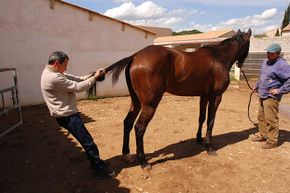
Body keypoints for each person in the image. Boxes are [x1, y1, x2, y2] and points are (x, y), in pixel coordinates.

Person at [41, 51, 115, 177]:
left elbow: (77, 79)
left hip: (66, 115)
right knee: (88, 142)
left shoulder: (53, 72)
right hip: (67, 116)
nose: (66, 68)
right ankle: (99, 171)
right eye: (65, 65)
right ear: (57, 63)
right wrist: (95, 78)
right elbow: (78, 87)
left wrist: (93, 75)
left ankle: (95, 163)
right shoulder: (54, 77)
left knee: (85, 141)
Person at [252, 43, 290, 149]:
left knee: (271, 119)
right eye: (267, 52)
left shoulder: (282, 65)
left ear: (277, 54)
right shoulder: (266, 62)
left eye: (270, 53)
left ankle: (272, 141)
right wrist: (256, 86)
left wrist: (280, 90)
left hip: (271, 96)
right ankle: (263, 135)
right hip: (262, 93)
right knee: (261, 116)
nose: (268, 54)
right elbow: (262, 76)